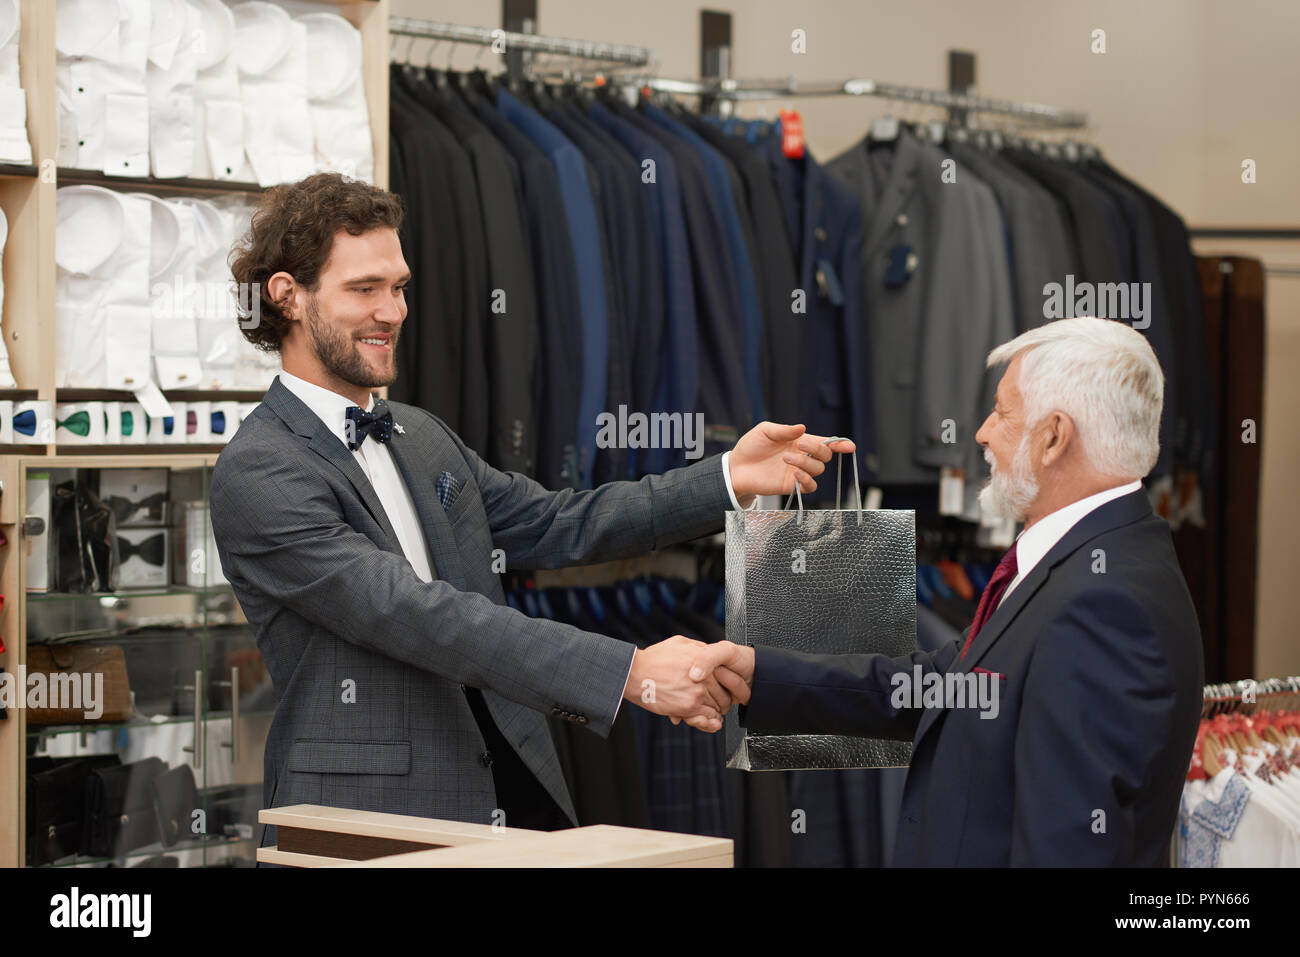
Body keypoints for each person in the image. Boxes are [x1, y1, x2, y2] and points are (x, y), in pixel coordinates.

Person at [211, 172, 852, 849]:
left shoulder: (419, 434)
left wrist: (726, 477)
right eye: (364, 289)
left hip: (508, 797)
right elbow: (419, 615)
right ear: (286, 296)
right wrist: (629, 673)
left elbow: (557, 522)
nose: (393, 312)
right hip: (363, 822)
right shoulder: (259, 471)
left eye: (398, 288)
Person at [701, 317, 1204, 866]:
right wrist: (760, 675)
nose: (983, 432)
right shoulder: (1090, 561)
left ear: (1055, 436)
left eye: (1003, 413)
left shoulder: (1104, 606)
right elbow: (945, 686)